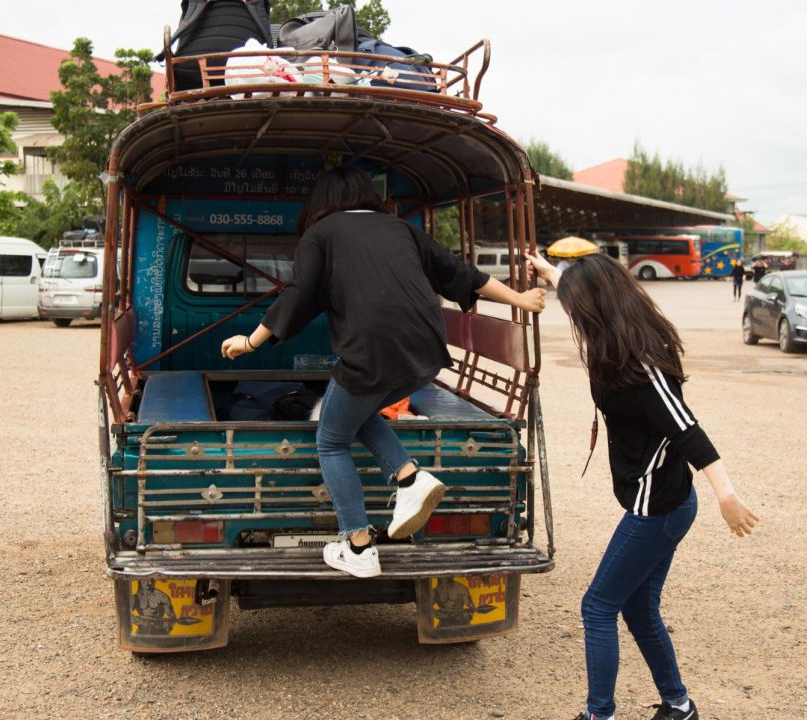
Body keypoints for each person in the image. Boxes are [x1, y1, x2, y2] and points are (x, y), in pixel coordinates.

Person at [221, 166, 546, 578]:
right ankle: (409, 478)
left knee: (331, 439)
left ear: (319, 204)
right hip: (425, 352)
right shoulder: (402, 229)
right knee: (355, 413)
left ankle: (358, 544)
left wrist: (250, 341)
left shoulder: (320, 234)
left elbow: (299, 295)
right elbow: (461, 274)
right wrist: (518, 297)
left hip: (372, 352)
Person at [525, 251, 759, 720]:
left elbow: (687, 428)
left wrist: (726, 492)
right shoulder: (616, 341)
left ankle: (600, 715)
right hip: (660, 501)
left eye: (574, 306)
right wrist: (550, 272)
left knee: (597, 606)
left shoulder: (641, 367)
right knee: (637, 609)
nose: (571, 315)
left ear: (596, 309)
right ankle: (679, 705)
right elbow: (577, 290)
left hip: (658, 509)